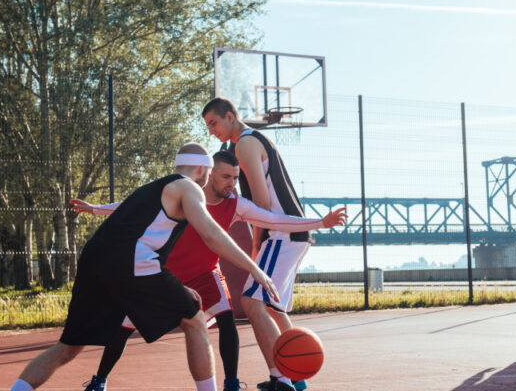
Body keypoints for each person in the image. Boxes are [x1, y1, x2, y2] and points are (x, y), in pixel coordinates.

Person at [9, 143, 279, 391]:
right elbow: (210, 233)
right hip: (131, 260)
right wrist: (254, 268)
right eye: (209, 173)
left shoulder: (150, 191)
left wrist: (173, 285)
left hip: (95, 259)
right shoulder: (189, 187)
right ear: (202, 169)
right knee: (195, 320)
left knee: (68, 347)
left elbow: (134, 237)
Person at [72, 150, 347, 391]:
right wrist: (96, 210)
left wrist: (319, 223)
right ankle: (100, 380)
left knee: (227, 319)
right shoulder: (184, 191)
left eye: (236, 178)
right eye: (227, 177)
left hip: (206, 274)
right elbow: (133, 207)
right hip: (167, 275)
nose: (232, 183)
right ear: (210, 173)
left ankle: (230, 383)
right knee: (123, 328)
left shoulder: (235, 205)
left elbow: (274, 219)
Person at [202, 97, 314, 391]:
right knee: (273, 307)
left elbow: (262, 204)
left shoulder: (245, 144)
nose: (212, 131)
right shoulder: (255, 140)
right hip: (291, 232)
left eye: (214, 123)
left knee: (251, 302)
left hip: (280, 233)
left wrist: (255, 246)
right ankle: (296, 375)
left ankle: (282, 380)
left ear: (230, 116)